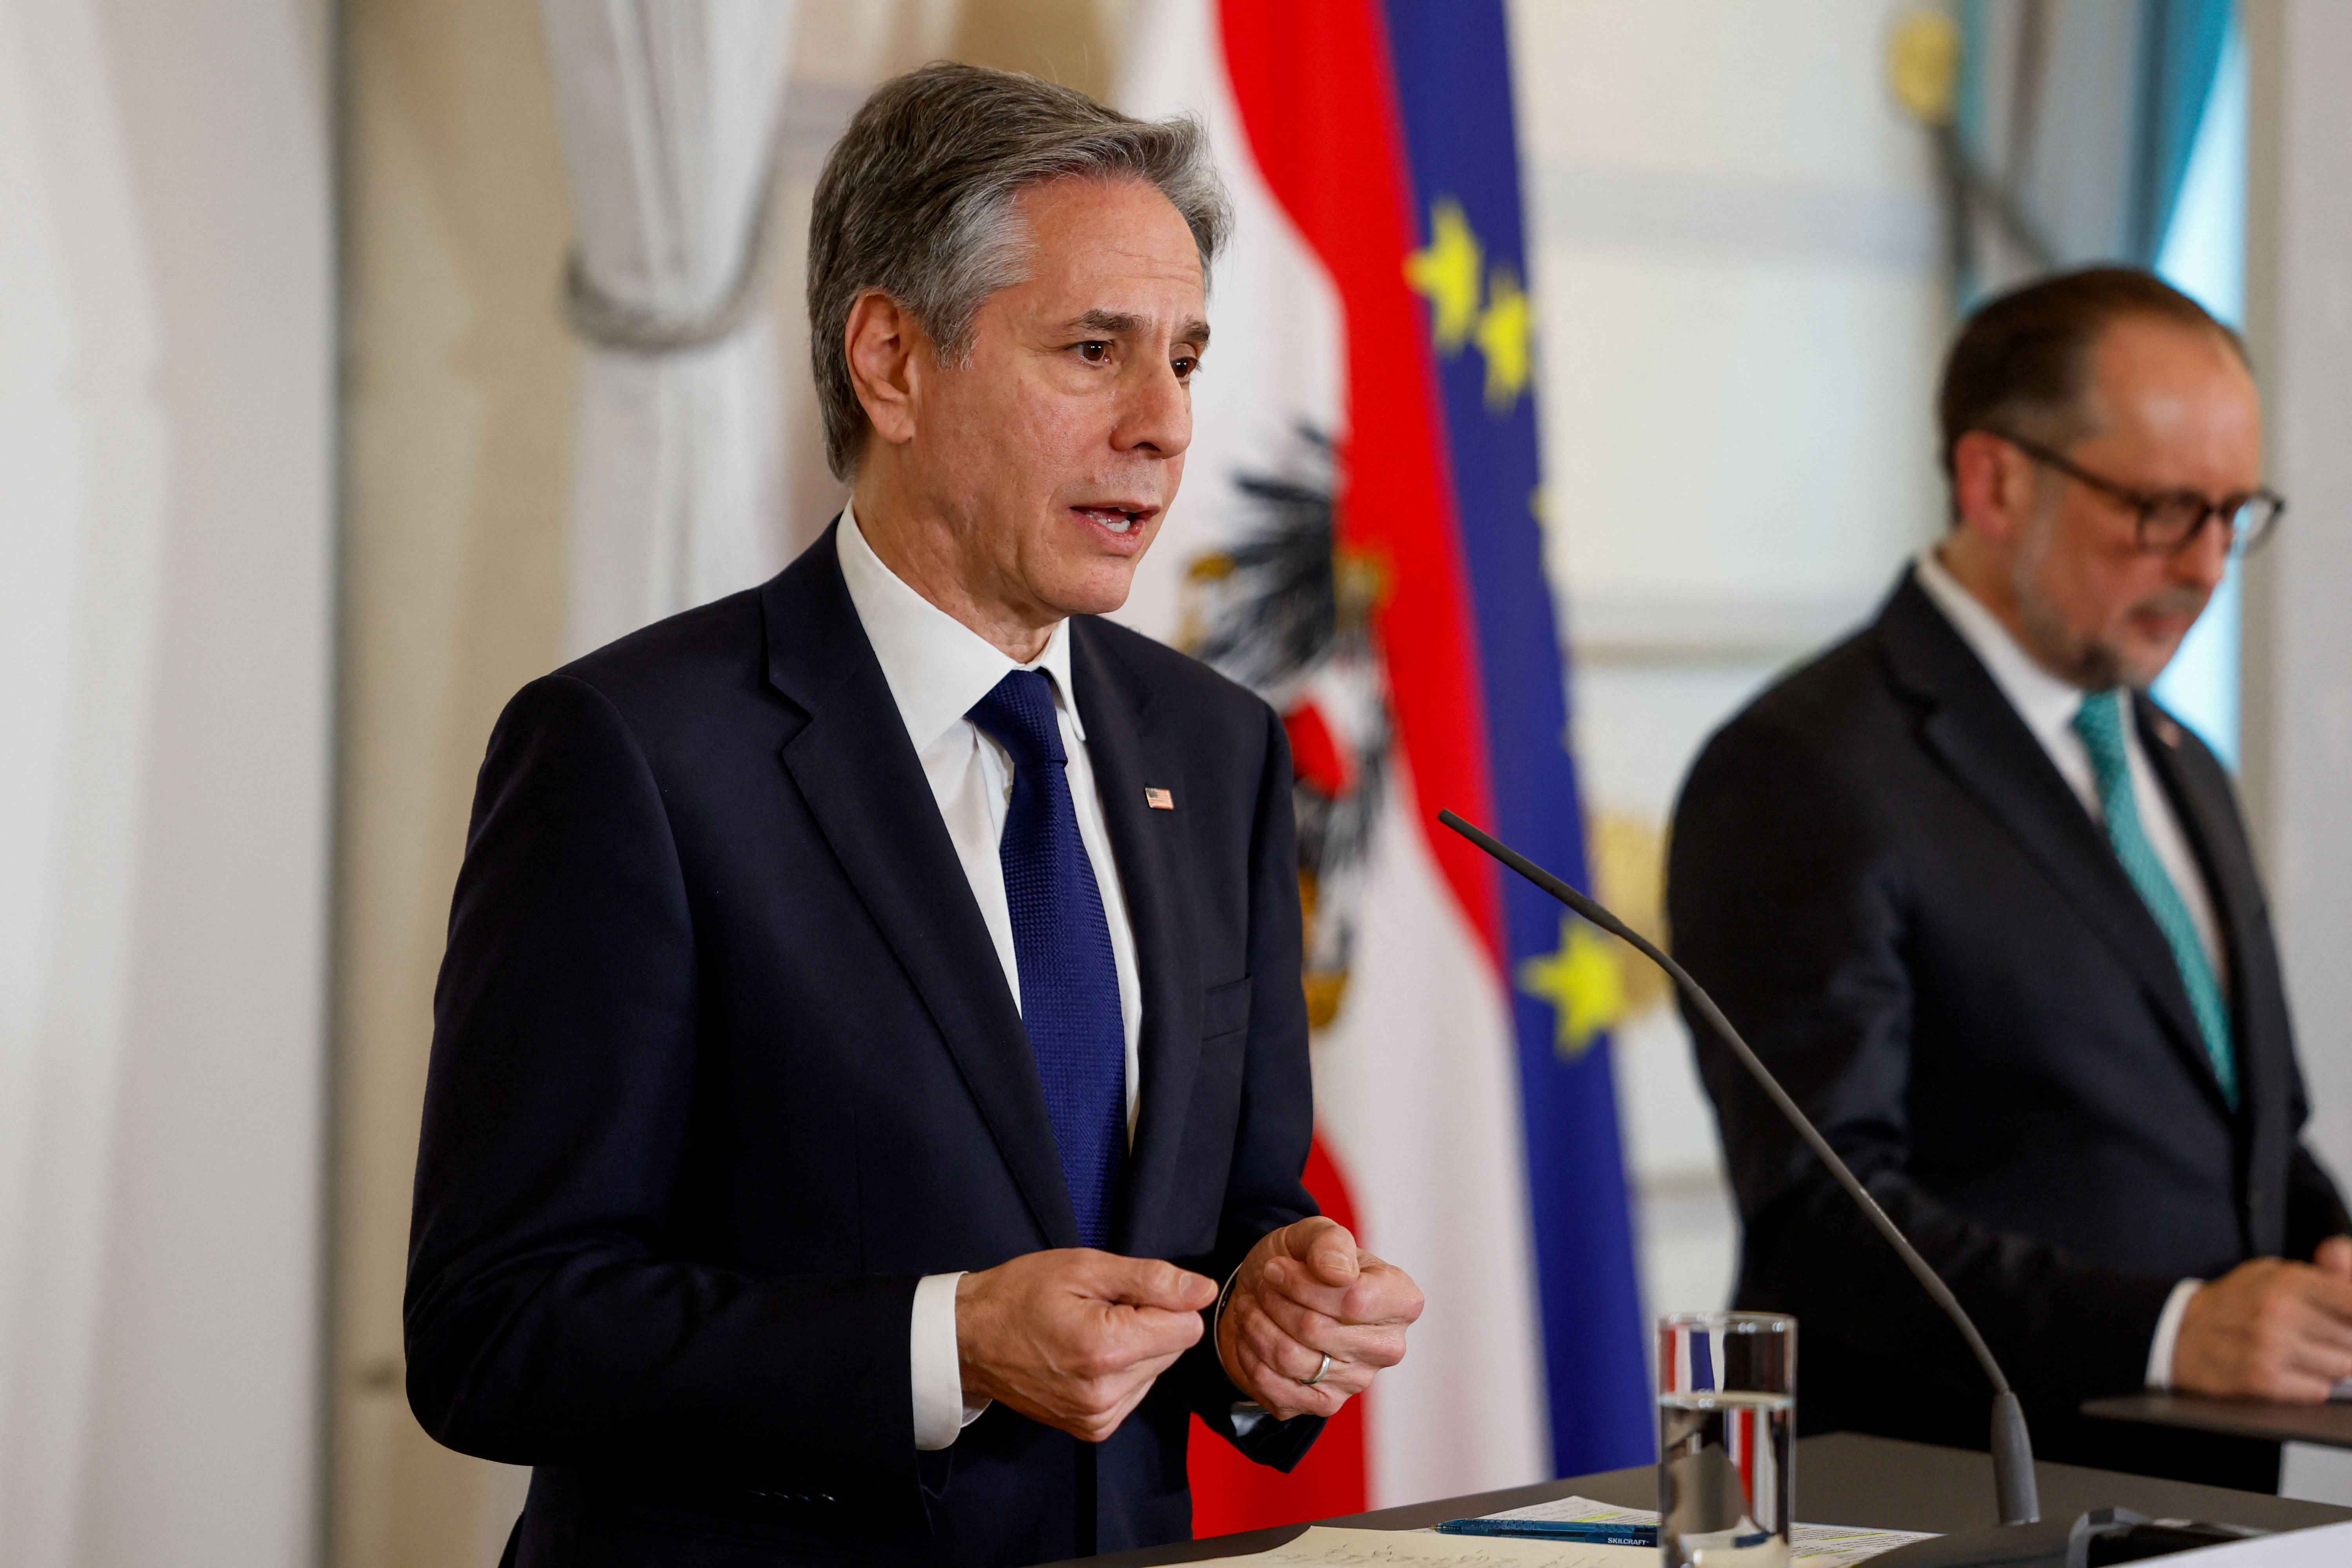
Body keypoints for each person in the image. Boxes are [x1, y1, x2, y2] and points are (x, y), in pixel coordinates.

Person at [405, 63, 1423, 1567]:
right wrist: (944, 1346)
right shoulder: (635, 753)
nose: (1165, 427)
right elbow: (498, 1325)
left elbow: (1225, 1215)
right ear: (890, 359)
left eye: (1187, 359)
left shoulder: (1218, 750)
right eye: (1094, 349)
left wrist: (1269, 1313)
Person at [1668, 267, 2352, 1490]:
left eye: (2235, 513)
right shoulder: (1801, 767)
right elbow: (1827, 1216)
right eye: (2161, 509)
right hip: (1938, 1502)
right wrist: (2172, 1330)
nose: (2206, 564)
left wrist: (2330, 1247)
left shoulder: (2176, 758)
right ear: (1994, 481)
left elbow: (2245, 1133)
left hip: (2206, 1503)